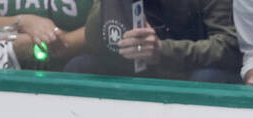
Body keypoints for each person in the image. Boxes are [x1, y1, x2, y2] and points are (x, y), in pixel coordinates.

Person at [65, 0, 240, 83]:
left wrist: (163, 51)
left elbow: (229, 46)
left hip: (188, 69)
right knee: (81, 67)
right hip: (137, 67)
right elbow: (95, 41)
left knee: (208, 78)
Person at [0, 0, 92, 69]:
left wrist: (59, 41)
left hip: (73, 66)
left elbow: (105, 24)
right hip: (7, 65)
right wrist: (23, 22)